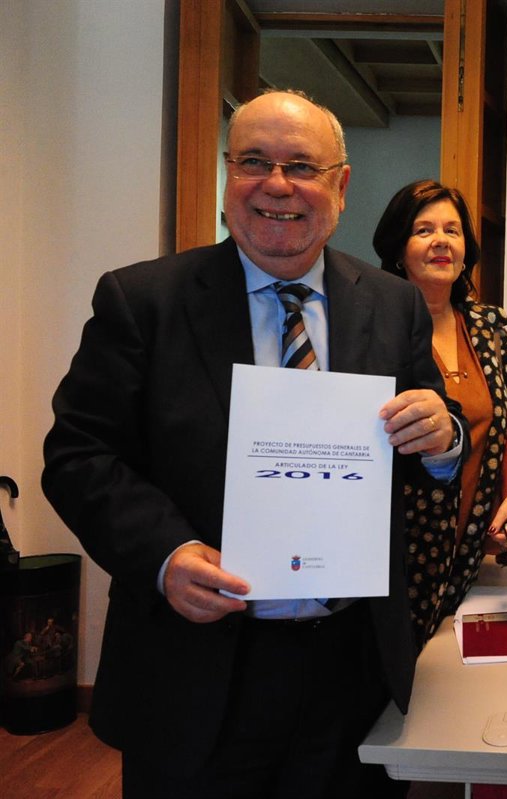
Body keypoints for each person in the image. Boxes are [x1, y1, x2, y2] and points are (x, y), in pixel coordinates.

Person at [42, 90, 466, 798]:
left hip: (351, 666)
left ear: (341, 185)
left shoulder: (393, 303)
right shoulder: (143, 300)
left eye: (301, 165)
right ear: (227, 174)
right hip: (195, 671)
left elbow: (427, 445)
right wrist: (166, 555)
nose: (276, 184)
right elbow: (78, 455)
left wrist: (444, 435)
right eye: (253, 162)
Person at [372, 179, 507, 647]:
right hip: (387, 563)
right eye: (424, 230)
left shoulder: (490, 333)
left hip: (464, 562)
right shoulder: (369, 330)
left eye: (452, 230)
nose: (441, 241)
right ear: (398, 248)